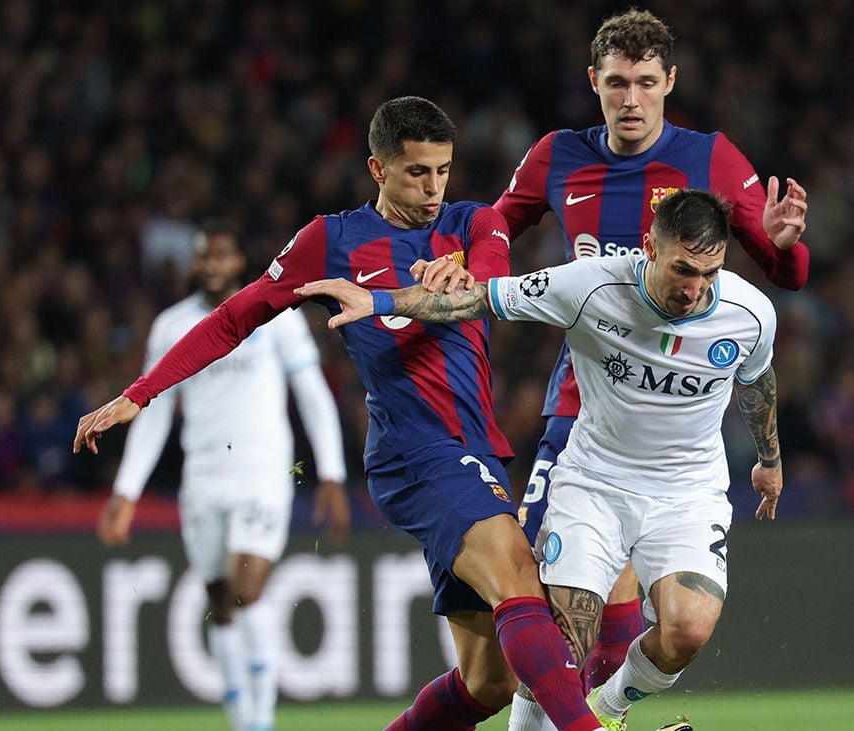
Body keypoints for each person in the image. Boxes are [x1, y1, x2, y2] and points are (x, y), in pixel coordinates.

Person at [76, 96, 614, 731]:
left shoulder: (475, 225)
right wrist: (141, 392)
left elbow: (488, 290)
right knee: (519, 574)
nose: (434, 186)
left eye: (443, 169)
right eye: (417, 172)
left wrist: (429, 285)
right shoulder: (330, 241)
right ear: (377, 168)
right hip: (416, 449)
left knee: (488, 682)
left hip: (477, 447)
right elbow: (232, 319)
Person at [302, 189, 783, 731]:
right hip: (594, 483)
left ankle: (608, 709)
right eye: (683, 270)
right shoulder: (591, 285)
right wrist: (384, 302)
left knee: (689, 630)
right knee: (563, 647)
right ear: (650, 246)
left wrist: (769, 458)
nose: (695, 289)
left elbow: (755, 378)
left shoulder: (750, 314)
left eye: (709, 273)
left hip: (688, 493)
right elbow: (478, 298)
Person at [491, 7, 809, 718]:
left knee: (625, 632)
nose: (629, 99)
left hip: (669, 433)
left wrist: (785, 245)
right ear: (593, 83)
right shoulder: (556, 156)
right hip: (580, 412)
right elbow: (494, 229)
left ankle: (600, 711)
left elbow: (778, 280)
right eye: (614, 83)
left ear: (670, 81)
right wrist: (463, 264)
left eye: (643, 82)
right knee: (556, 619)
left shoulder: (710, 160)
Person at [96, 220, 350, 731]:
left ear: (238, 262)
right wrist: (126, 492)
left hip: (262, 474)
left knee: (245, 590)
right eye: (203, 257)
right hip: (203, 479)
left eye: (221, 256)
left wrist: (332, 472)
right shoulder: (172, 327)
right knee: (220, 600)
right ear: (195, 264)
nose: (211, 265)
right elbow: (157, 413)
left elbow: (313, 394)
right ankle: (242, 720)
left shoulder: (274, 316)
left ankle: (262, 720)